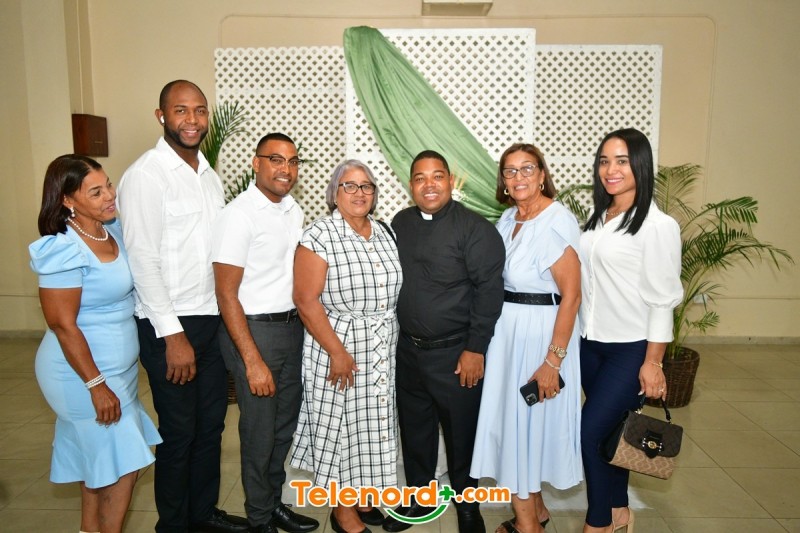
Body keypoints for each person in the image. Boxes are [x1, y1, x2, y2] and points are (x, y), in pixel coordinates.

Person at [118, 80, 248, 533]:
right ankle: (173, 525)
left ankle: (203, 514)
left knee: (211, 427)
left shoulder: (207, 174)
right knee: (179, 433)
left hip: (210, 318)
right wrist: (172, 334)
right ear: (161, 116)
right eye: (180, 110)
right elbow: (143, 259)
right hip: (170, 324)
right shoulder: (146, 175)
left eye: (199, 110)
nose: (192, 120)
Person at [28, 154, 161, 533]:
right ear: (68, 199)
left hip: (119, 372)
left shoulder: (111, 231)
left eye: (109, 185)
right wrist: (96, 384)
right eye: (96, 192)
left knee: (99, 463)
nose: (110, 196)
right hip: (80, 374)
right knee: (124, 464)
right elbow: (62, 324)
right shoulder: (63, 248)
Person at [386, 151, 505, 533]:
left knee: (461, 435)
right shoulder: (400, 223)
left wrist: (475, 349)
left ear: (451, 181)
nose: (429, 185)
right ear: (410, 186)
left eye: (437, 176)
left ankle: (468, 508)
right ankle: (419, 499)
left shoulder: (475, 229)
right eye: (420, 178)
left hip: (456, 354)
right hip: (409, 352)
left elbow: (489, 294)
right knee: (415, 431)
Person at [471, 144, 583, 533]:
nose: (518, 177)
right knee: (519, 425)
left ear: (542, 174)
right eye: (510, 171)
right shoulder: (508, 219)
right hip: (507, 336)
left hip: (540, 337)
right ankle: (537, 511)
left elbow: (572, 296)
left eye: (527, 169)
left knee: (524, 424)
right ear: (503, 180)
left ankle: (526, 525)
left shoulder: (556, 221)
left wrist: (553, 361)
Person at [212, 133, 319, 533]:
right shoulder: (238, 215)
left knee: (282, 429)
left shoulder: (292, 210)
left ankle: (273, 505)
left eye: (292, 161)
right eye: (276, 159)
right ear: (256, 164)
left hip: (290, 329)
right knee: (259, 434)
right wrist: (252, 360)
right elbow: (226, 294)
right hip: (254, 332)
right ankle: (259, 520)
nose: (285, 169)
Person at [579, 128, 683, 533]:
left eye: (621, 161)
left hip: (630, 349)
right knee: (614, 432)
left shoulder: (657, 225)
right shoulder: (600, 217)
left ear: (640, 164)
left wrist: (653, 362)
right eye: (604, 161)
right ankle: (620, 510)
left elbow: (662, 299)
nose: (611, 169)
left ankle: (598, 523)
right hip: (591, 345)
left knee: (589, 433)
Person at [290, 160, 402, 533]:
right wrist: (338, 352)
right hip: (338, 345)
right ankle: (342, 511)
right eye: (349, 186)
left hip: (381, 348)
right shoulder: (319, 235)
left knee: (370, 426)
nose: (359, 193)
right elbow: (305, 300)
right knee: (340, 429)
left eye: (366, 186)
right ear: (334, 193)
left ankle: (362, 496)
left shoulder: (384, 232)